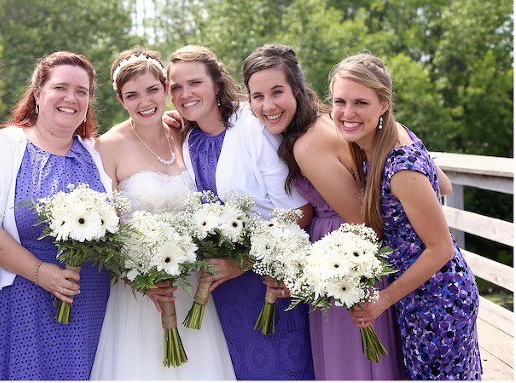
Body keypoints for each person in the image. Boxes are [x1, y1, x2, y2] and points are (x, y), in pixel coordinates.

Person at [241, 44, 406, 379]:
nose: (268, 105)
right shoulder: (323, 120)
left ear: (298, 91)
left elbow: (363, 222)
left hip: (344, 263)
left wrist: (333, 271)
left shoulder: (308, 142)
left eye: (278, 92)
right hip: (336, 255)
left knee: (354, 366)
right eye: (257, 96)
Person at [330, 52, 482, 380]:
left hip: (437, 301)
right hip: (422, 293)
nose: (347, 113)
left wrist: (381, 300)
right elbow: (444, 184)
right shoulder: (397, 133)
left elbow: (440, 248)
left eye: (361, 103)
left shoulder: (400, 167)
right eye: (339, 101)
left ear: (384, 104)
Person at [166, 45, 315, 380]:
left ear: (217, 84)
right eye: (176, 87)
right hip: (224, 294)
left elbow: (299, 211)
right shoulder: (187, 138)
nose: (185, 94)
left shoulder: (253, 127)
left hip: (270, 281)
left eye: (195, 83)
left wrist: (241, 262)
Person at [0, 51, 112, 380]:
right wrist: (40, 272)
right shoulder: (6, 144)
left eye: (82, 91)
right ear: (38, 94)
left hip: (85, 305)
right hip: (18, 302)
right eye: (61, 87)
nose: (71, 98)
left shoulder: (92, 154)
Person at [89, 47, 235, 380]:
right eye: (132, 94)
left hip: (191, 285)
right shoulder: (108, 146)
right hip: (141, 292)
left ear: (166, 89)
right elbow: (103, 229)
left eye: (153, 90)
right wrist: (138, 278)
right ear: (120, 98)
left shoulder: (184, 132)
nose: (145, 102)